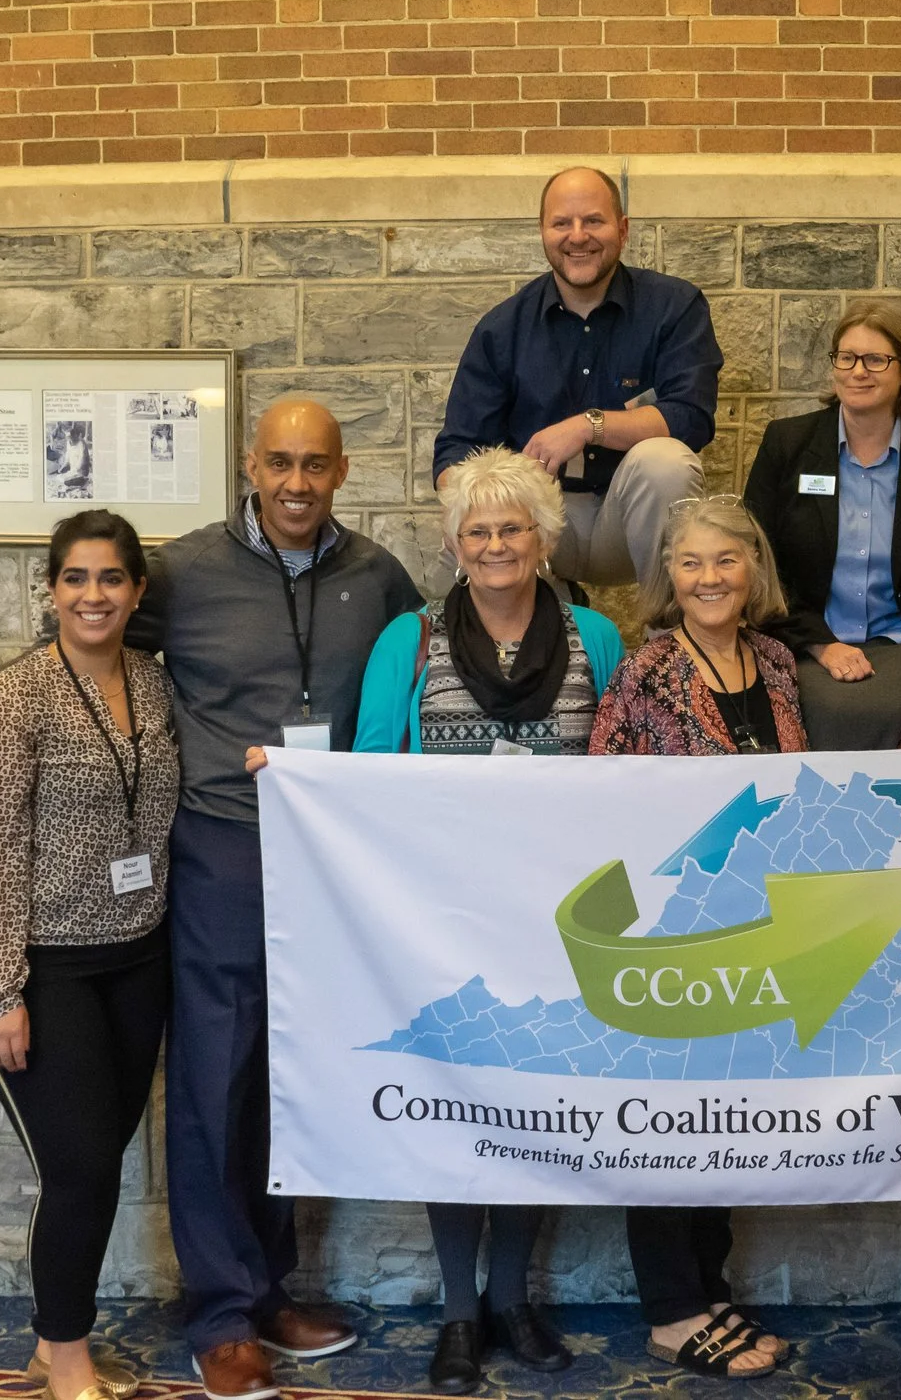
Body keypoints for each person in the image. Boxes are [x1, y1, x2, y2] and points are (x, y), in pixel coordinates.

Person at [0, 398, 421, 1400]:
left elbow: (422, 665)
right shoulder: (187, 570)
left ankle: (270, 1285)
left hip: (332, 861)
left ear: (342, 468)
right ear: (250, 462)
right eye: (278, 460)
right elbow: (72, 638)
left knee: (294, 1079)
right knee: (214, 1082)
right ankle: (223, 1312)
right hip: (222, 854)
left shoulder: (378, 574)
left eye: (313, 464)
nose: (294, 481)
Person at [347, 446, 620, 1392]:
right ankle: (460, 1313)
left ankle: (512, 1296)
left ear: (542, 540)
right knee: (457, 1111)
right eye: (477, 529)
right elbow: (370, 772)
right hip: (442, 919)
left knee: (535, 1112)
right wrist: (296, 783)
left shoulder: (598, 635)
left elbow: (628, 777)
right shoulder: (406, 641)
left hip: (559, 920)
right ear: (455, 544)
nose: (495, 543)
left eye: (512, 527)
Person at [0, 510, 175, 1400]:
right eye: (76, 578)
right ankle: (65, 1354)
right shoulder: (12, 699)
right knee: (80, 1165)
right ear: (51, 590)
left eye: (111, 578)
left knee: (97, 1160)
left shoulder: (156, 685)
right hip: (41, 970)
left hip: (137, 960)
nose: (94, 595)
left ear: (137, 591)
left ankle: (57, 1342)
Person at [589, 495, 805, 1378]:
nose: (709, 578)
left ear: (752, 570)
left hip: (758, 935)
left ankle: (710, 1285)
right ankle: (672, 1308)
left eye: (725, 560)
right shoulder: (644, 672)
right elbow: (599, 794)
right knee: (666, 1118)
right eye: (691, 563)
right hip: (673, 934)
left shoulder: (780, 664)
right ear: (667, 577)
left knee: (724, 1121)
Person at [433, 166, 721, 591]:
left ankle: (671, 640)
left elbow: (691, 416)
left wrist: (588, 426)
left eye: (593, 221)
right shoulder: (502, 328)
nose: (577, 236)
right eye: (562, 223)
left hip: (633, 520)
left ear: (622, 230)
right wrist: (486, 504)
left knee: (666, 463)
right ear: (543, 232)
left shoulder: (674, 307)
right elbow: (454, 452)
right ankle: (488, 641)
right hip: (539, 524)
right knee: (457, 535)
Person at [741, 301, 901, 750]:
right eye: (845, 358)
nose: (857, 371)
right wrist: (820, 645)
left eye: (875, 360)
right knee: (825, 707)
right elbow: (757, 562)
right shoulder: (787, 444)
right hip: (801, 638)